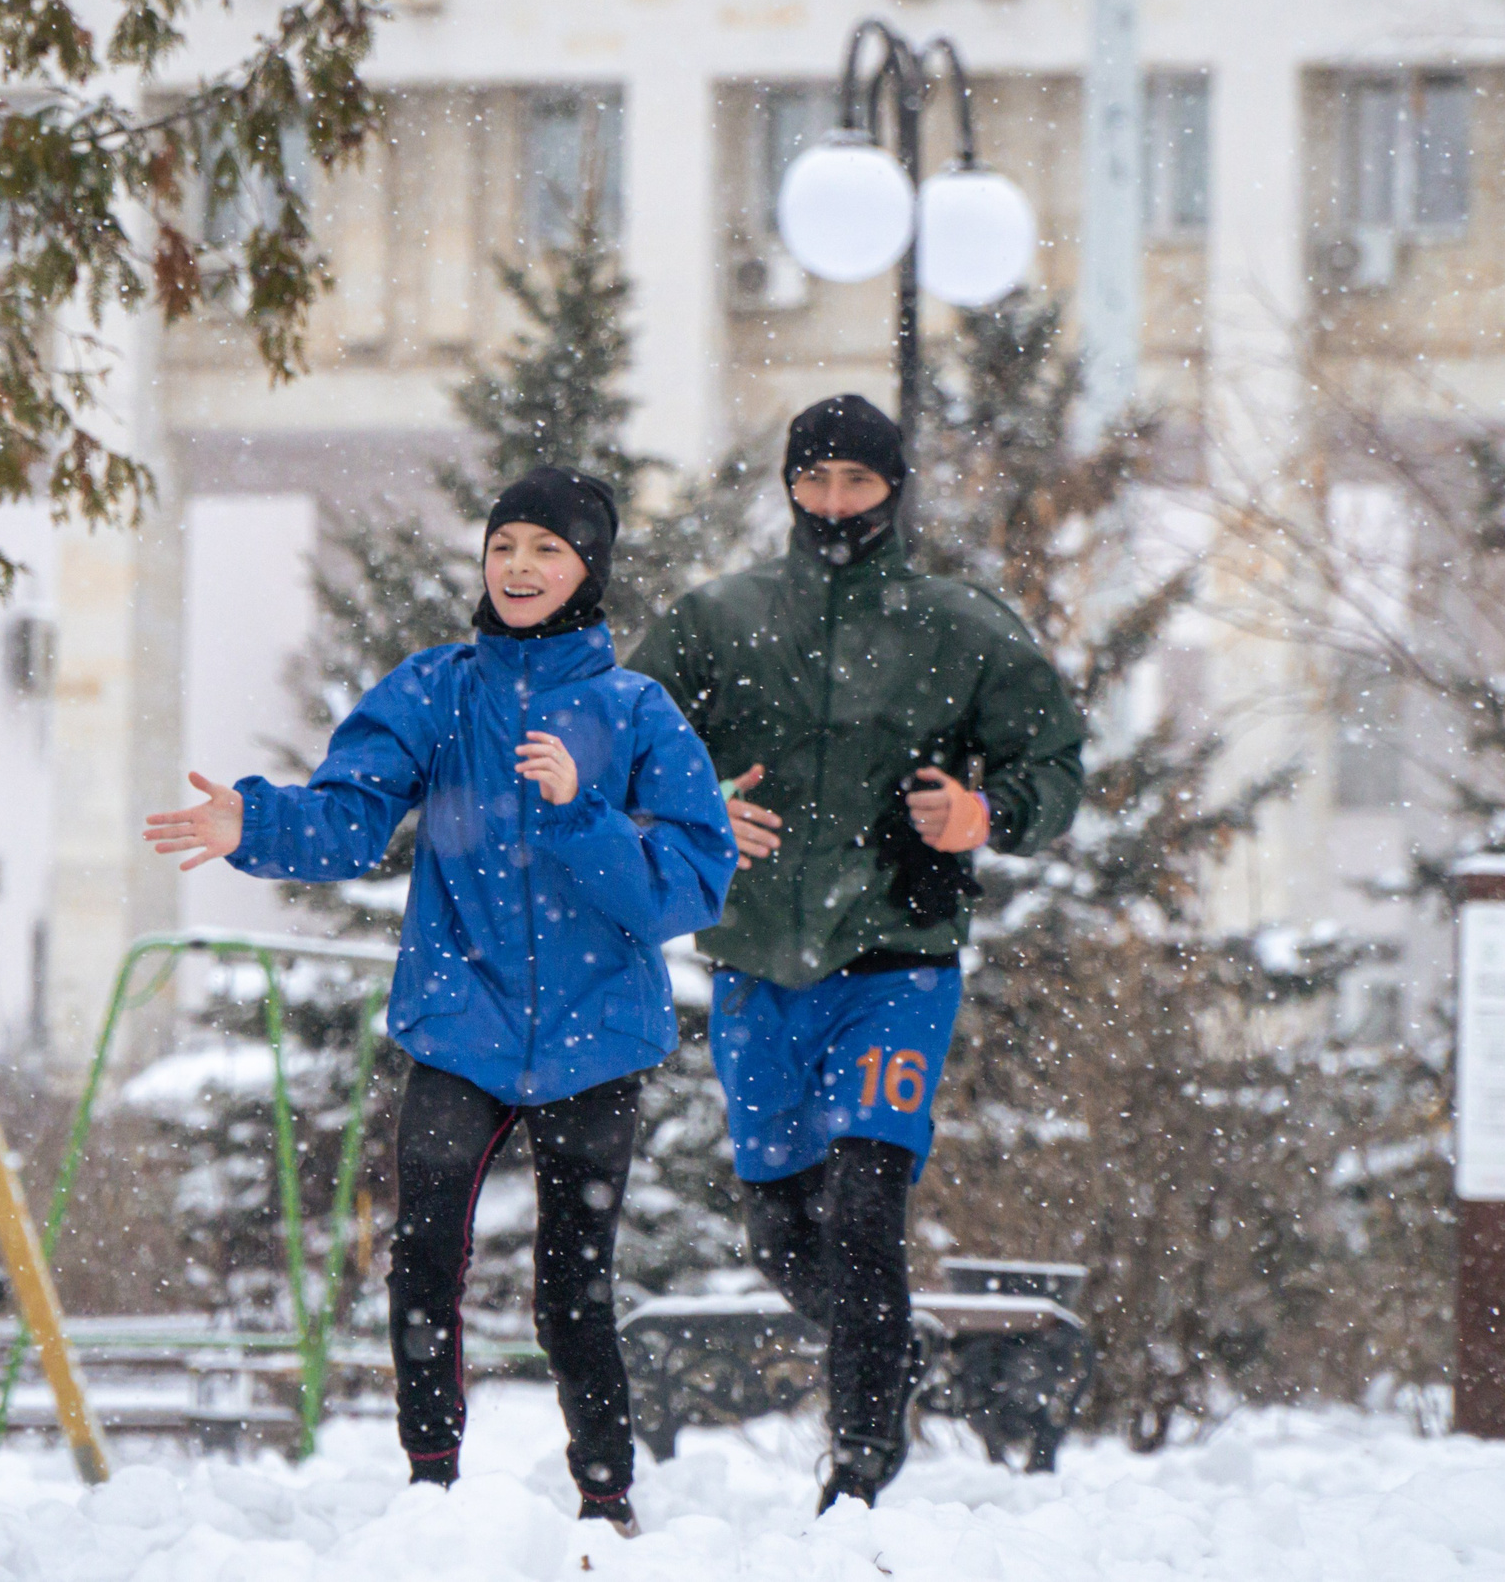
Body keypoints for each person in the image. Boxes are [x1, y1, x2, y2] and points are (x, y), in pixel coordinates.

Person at [144, 466, 735, 1535]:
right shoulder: (436, 690)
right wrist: (256, 825)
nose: (519, 566)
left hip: (598, 1037)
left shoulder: (635, 711)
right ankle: (431, 1488)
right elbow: (348, 820)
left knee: (574, 1285)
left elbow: (689, 885)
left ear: (588, 569)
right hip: (460, 1023)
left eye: (547, 549)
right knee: (422, 1262)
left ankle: (606, 1497)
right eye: (504, 545)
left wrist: (582, 809)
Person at [628, 393, 1085, 1511]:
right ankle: (892, 1351)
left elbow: (1056, 765)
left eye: (859, 482)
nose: (835, 503)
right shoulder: (715, 621)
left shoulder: (961, 627)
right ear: (789, 486)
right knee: (783, 1234)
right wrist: (696, 807)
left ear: (894, 489)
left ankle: (861, 1467)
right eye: (816, 480)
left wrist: (984, 813)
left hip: (895, 956)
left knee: (866, 1208)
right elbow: (620, 749)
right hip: (755, 962)